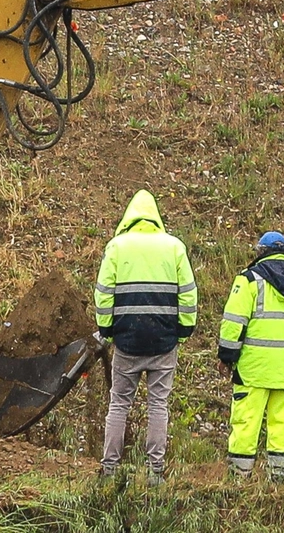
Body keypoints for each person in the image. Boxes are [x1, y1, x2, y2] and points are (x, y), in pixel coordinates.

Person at [94, 189, 197, 486]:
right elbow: (188, 295)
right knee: (158, 405)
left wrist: (107, 329)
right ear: (156, 217)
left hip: (127, 343)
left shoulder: (116, 246)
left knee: (119, 404)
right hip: (165, 343)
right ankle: (155, 472)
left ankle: (109, 470)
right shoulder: (174, 247)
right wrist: (184, 330)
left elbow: (104, 294)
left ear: (129, 217)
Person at [218, 232, 284, 482]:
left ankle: (239, 480)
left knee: (246, 421)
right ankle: (278, 479)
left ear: (261, 252)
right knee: (283, 423)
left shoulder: (249, 280)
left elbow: (233, 323)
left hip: (254, 368)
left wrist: (226, 357)